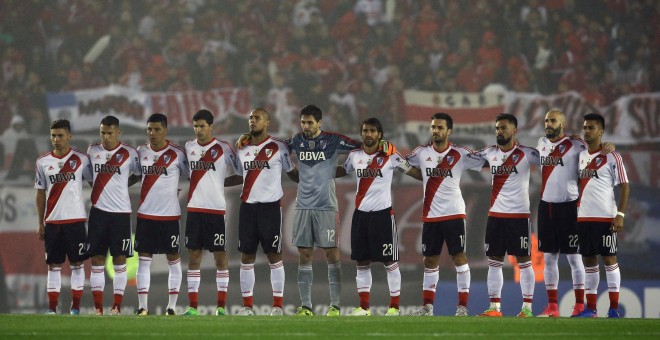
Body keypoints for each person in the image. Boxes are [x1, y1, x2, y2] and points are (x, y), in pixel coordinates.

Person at [405, 113, 485, 317]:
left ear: (449, 131)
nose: (435, 130)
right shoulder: (421, 152)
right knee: (430, 260)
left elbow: (484, 163)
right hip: (431, 215)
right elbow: (412, 168)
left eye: (440, 127)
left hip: (454, 214)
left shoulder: (460, 153)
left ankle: (462, 307)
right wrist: (402, 165)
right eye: (433, 127)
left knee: (459, 256)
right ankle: (427, 307)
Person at [337, 117, 410, 316]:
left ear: (379, 134)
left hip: (383, 216)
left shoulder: (390, 155)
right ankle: (364, 307)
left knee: (390, 261)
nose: (368, 134)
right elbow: (342, 171)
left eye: (372, 131)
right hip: (360, 216)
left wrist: (397, 153)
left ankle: (394, 307)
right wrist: (320, 171)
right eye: (365, 131)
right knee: (361, 262)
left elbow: (413, 171)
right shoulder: (354, 155)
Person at [471, 113, 540, 317]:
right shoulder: (489, 153)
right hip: (496, 216)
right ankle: (495, 308)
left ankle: (527, 308)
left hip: (518, 216)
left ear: (514, 130)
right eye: (497, 128)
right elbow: (463, 160)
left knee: (524, 261)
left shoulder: (527, 154)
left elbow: (553, 160)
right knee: (494, 261)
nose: (500, 131)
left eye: (504, 127)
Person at [235, 108, 295, 316]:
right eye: (250, 117)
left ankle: (278, 306)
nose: (252, 120)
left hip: (270, 208)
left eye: (257, 117)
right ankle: (247, 307)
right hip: (248, 208)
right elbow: (239, 174)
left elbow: (291, 173)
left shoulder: (278, 147)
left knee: (274, 255)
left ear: (268, 122)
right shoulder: (241, 147)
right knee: (246, 256)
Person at [182, 109, 240, 316]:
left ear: (211, 126)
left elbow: (241, 172)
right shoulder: (188, 147)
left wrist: (219, 183)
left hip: (216, 210)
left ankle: (221, 307)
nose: (198, 130)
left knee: (220, 258)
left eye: (202, 126)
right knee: (194, 257)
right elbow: (186, 173)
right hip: (195, 209)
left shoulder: (224, 148)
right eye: (195, 126)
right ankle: (193, 307)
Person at [35, 119, 92, 314]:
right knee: (53, 265)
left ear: (69, 136)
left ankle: (75, 308)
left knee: (77, 264)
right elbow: (40, 193)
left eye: (60, 135)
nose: (56, 139)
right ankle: (52, 309)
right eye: (53, 135)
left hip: (75, 220)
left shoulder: (82, 159)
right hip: (52, 222)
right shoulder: (42, 162)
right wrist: (40, 222)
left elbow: (96, 183)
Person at [575, 113, 629, 318]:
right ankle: (591, 309)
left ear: (601, 131)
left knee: (609, 259)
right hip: (583, 218)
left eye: (591, 127)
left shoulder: (612, 156)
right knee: (589, 261)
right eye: (585, 127)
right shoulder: (580, 155)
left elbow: (625, 186)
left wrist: (620, 214)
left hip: (606, 217)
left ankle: (614, 309)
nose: (587, 131)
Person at [134, 113, 189, 315]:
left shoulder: (178, 153)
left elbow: (192, 174)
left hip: (170, 216)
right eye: (149, 129)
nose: (152, 133)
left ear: (165, 130)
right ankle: (142, 307)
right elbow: (134, 175)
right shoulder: (140, 152)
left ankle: (171, 307)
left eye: (157, 129)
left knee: (173, 259)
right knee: (143, 260)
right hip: (145, 215)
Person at [87, 115, 141, 315]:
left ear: (118, 132)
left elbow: (138, 173)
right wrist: (99, 189)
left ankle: (116, 307)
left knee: (120, 259)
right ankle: (98, 308)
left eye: (110, 133)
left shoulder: (129, 153)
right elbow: (88, 176)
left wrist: (121, 186)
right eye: (103, 133)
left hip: (121, 214)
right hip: (98, 213)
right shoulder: (93, 151)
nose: (106, 137)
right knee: (97, 260)